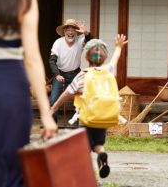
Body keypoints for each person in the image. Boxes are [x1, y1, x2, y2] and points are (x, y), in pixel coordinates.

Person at [0, 0, 58, 186]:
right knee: (10, 160)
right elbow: (32, 59)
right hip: (9, 85)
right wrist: (46, 114)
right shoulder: (25, 1)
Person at [50, 34, 127, 178]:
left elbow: (66, 93)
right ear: (104, 58)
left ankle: (81, 173)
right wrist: (118, 47)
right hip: (103, 117)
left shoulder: (82, 76)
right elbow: (115, 60)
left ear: (86, 58)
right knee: (98, 143)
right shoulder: (108, 70)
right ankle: (102, 155)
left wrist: (54, 108)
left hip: (87, 118)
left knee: (83, 146)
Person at [49, 19, 93, 122]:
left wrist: (86, 33)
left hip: (76, 73)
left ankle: (84, 125)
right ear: (64, 32)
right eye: (67, 30)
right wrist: (57, 75)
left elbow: (93, 44)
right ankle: (53, 125)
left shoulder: (80, 40)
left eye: (72, 30)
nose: (70, 32)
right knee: (53, 100)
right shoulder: (58, 43)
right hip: (60, 74)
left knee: (86, 97)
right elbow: (52, 61)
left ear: (76, 32)